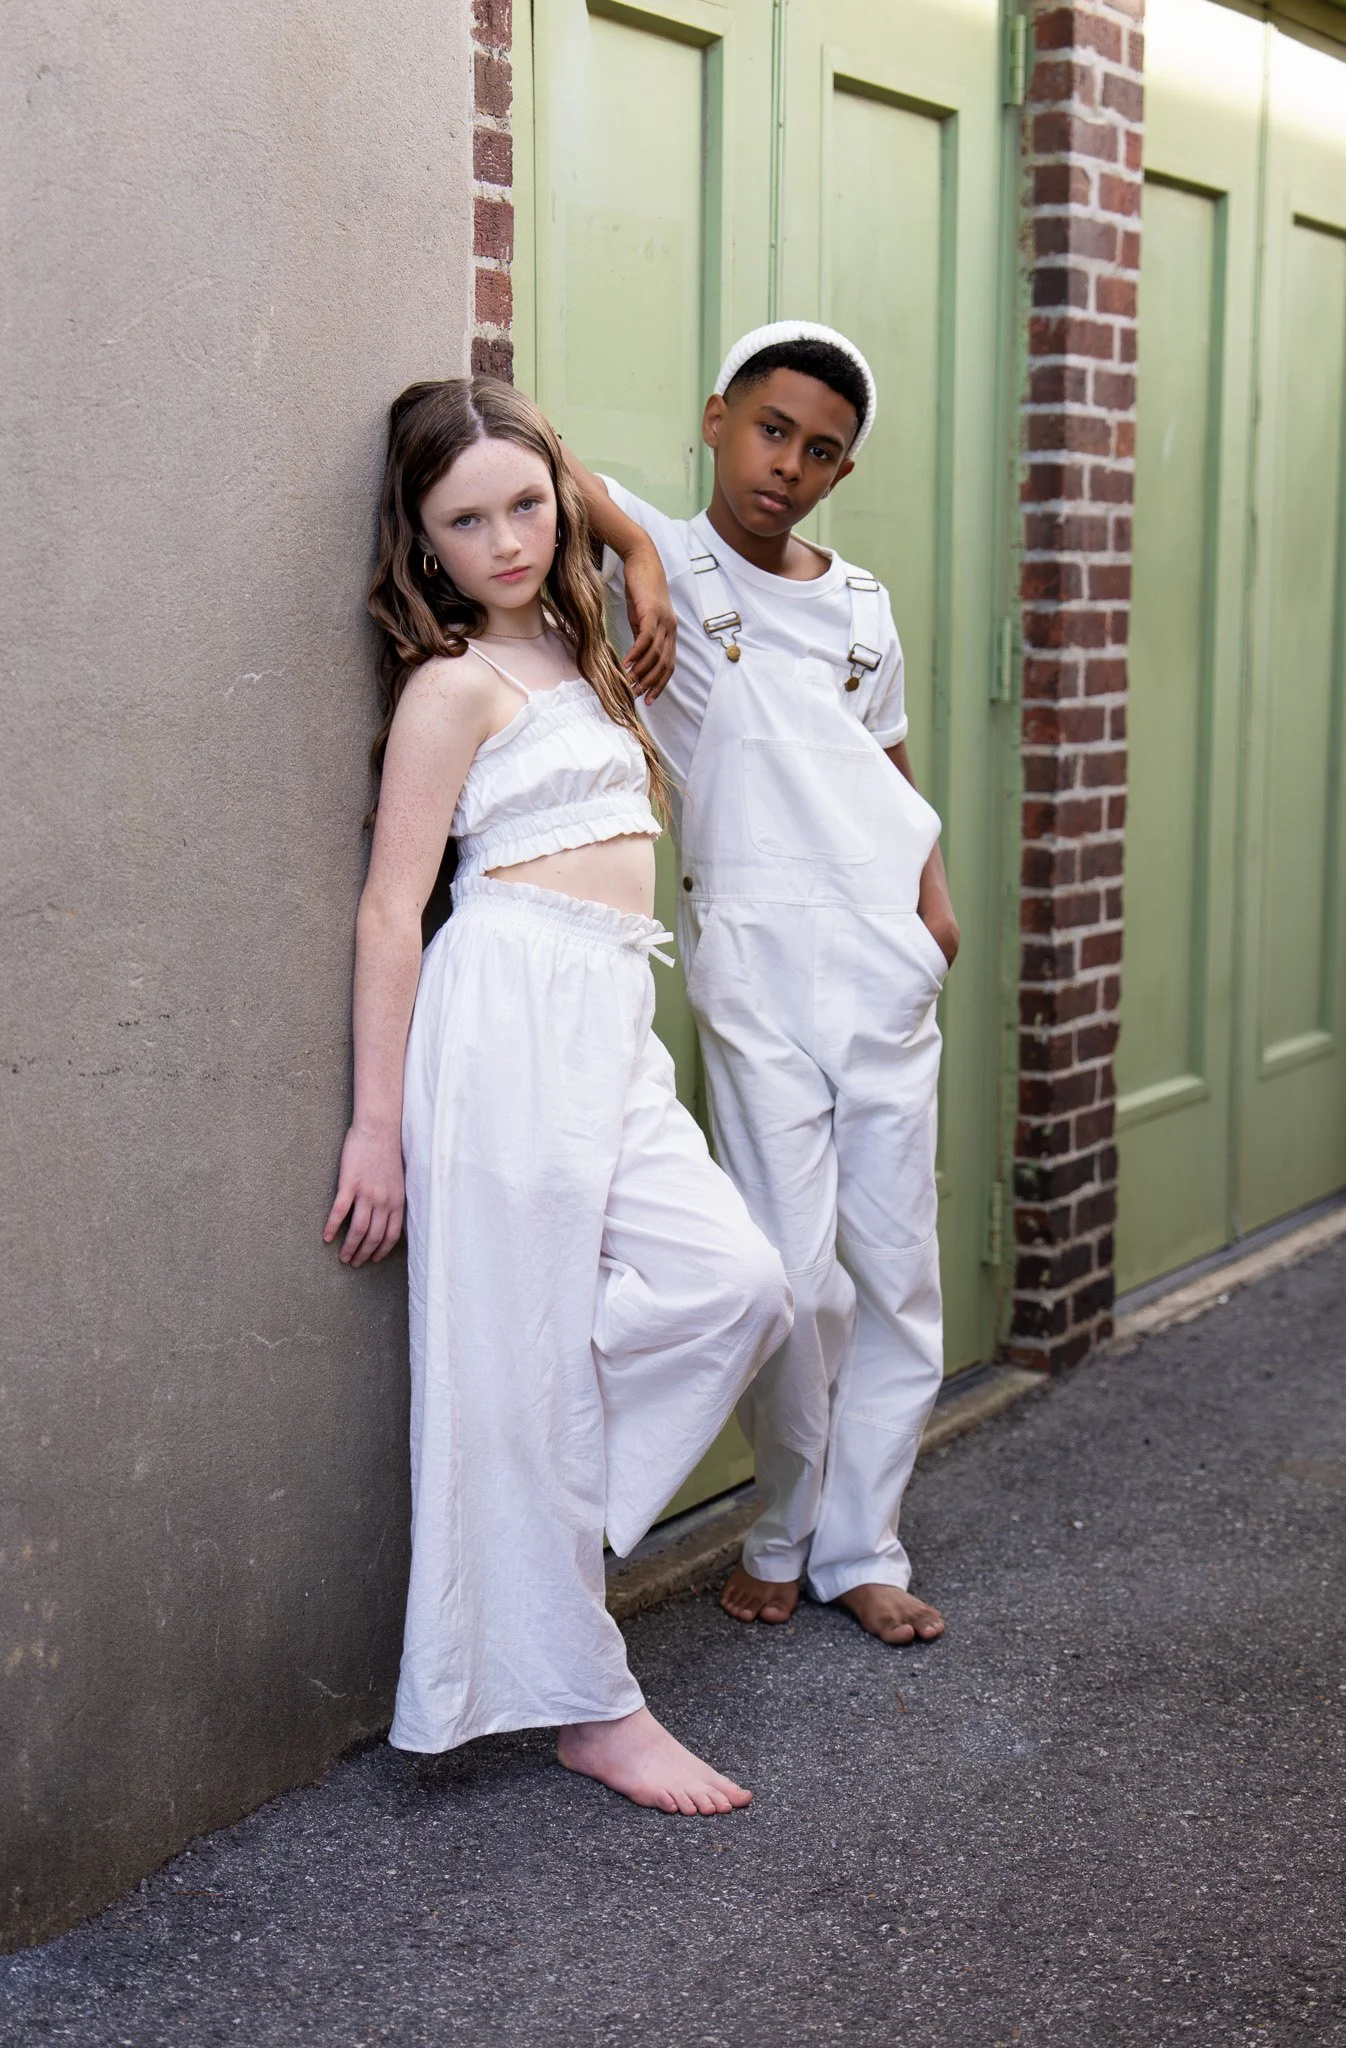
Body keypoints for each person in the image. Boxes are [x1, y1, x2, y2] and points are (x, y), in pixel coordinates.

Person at [324, 376, 792, 1814]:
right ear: (423, 542)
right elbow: (393, 910)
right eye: (466, 521)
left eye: (529, 505)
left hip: (608, 1015)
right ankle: (592, 1704)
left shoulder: (585, 658)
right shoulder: (452, 686)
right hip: (505, 1020)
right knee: (513, 1359)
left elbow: (577, 494)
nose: (510, 539)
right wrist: (375, 1124)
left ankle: (537, 1521)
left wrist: (635, 549)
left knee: (739, 1283)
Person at [565, 321, 960, 1648]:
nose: (788, 466)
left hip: (883, 964)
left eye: (821, 451)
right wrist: (627, 551)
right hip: (753, 960)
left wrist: (935, 910)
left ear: (844, 473)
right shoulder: (666, 556)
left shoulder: (862, 609)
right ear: (718, 416)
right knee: (795, 1277)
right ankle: (782, 1522)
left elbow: (884, 767)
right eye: (771, 430)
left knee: (897, 1269)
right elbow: (528, 449)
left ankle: (862, 1546)